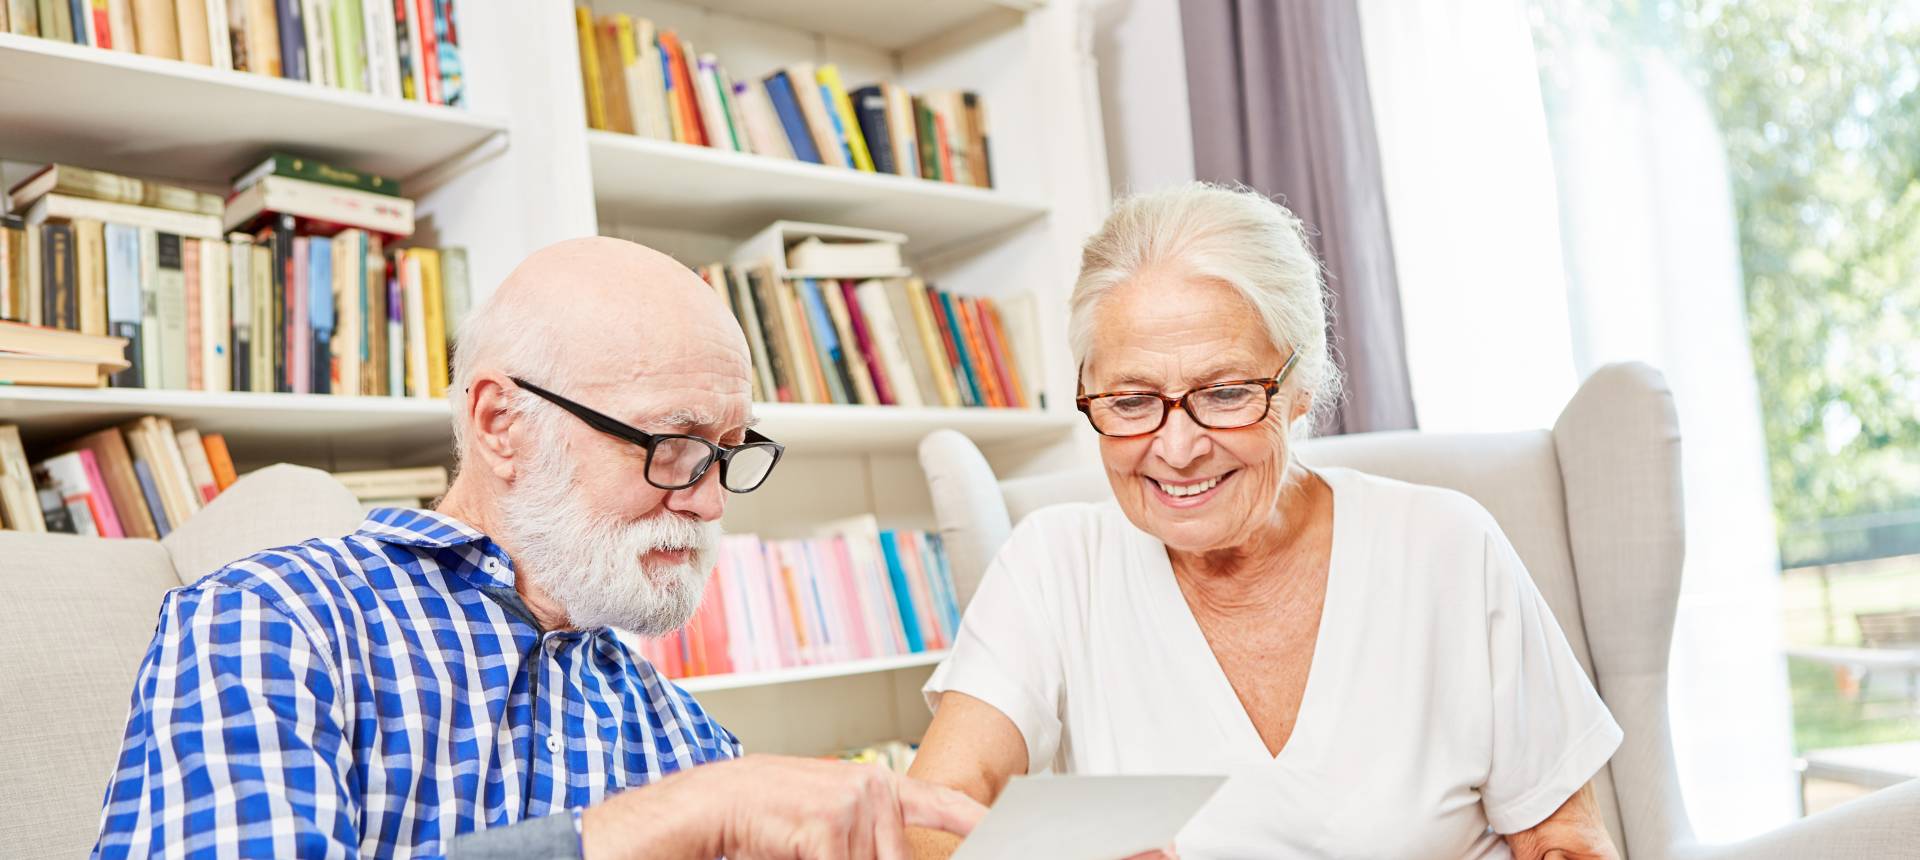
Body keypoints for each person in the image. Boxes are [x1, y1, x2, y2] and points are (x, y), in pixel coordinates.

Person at [92, 237, 984, 860]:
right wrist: (681, 821)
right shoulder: (272, 625)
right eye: (668, 445)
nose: (710, 499)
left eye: (728, 452)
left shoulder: (671, 725)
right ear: (500, 423)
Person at [906, 184, 1623, 859]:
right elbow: (929, 817)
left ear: (1301, 384)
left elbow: (1565, 838)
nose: (1178, 449)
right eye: (1130, 402)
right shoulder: (1054, 565)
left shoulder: (1445, 547)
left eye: (1223, 393)